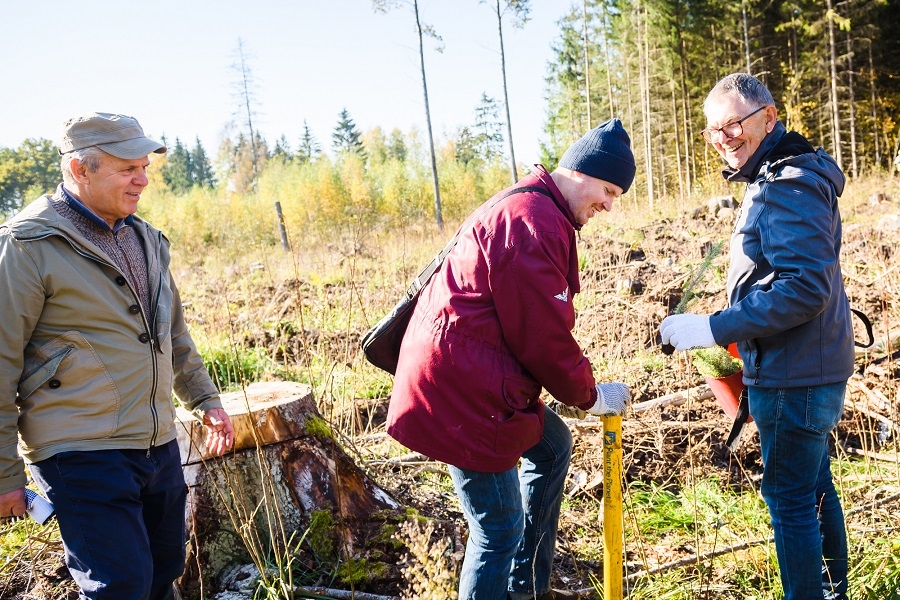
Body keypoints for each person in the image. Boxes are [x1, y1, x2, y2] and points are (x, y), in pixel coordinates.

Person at [387, 118, 636, 600]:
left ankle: (524, 589)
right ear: (579, 172)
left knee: (552, 445)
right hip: (462, 392)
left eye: (616, 196)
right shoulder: (530, 221)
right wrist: (590, 396)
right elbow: (541, 334)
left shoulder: (539, 211)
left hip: (475, 376)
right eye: (607, 190)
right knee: (498, 530)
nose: (608, 205)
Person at [0, 112, 235, 600]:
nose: (142, 180)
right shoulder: (26, 245)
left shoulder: (146, 238)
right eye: (128, 167)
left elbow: (173, 333)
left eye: (144, 166)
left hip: (155, 440)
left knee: (162, 571)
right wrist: (4, 474)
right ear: (80, 170)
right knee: (119, 586)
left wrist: (204, 399)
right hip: (78, 448)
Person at [660, 73, 851, 600]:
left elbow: (803, 288)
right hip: (803, 364)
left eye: (734, 124)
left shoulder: (787, 182)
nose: (724, 137)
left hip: (795, 375)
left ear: (770, 117)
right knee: (813, 487)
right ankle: (834, 591)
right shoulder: (776, 175)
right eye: (713, 130)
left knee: (789, 498)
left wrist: (713, 327)